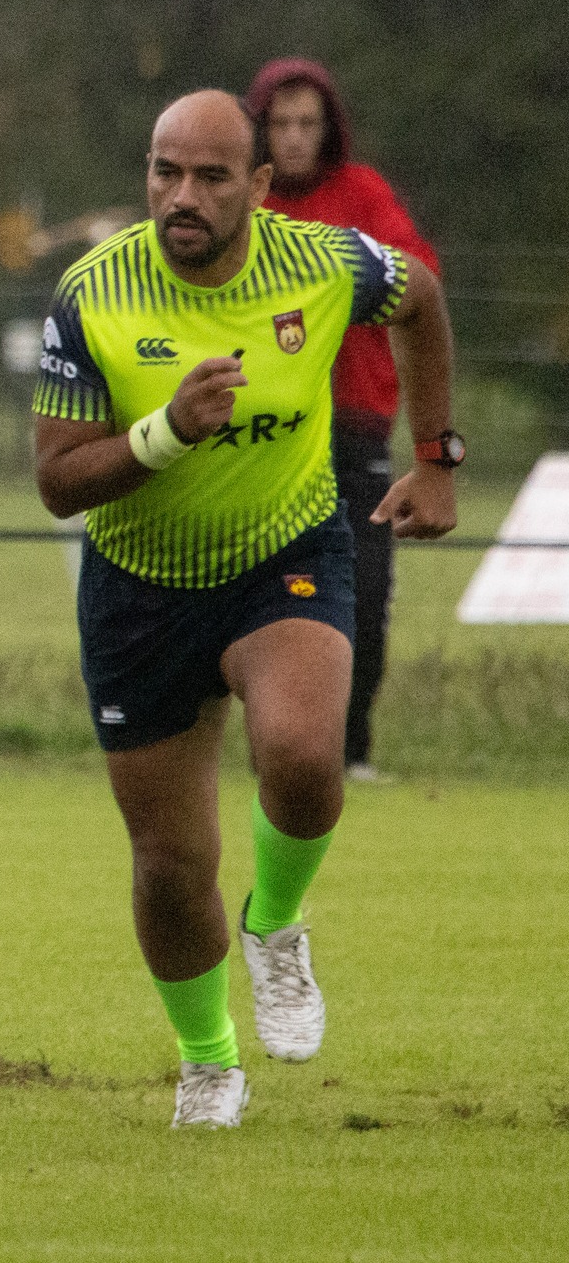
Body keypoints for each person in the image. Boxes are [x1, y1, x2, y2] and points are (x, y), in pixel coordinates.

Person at [31, 90, 460, 1127]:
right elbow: (55, 482)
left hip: (284, 554)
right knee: (171, 871)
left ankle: (275, 925)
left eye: (209, 177)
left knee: (304, 758)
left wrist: (436, 457)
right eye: (161, 172)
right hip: (138, 587)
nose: (180, 196)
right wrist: (165, 433)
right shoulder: (93, 293)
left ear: (257, 187)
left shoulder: (322, 264)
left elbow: (423, 299)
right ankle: (208, 1063)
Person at [246, 59, 442, 783]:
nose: (295, 138)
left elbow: (419, 273)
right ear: (258, 129)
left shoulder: (361, 194)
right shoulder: (244, 201)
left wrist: (341, 285)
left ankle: (350, 751)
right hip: (264, 427)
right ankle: (268, 742)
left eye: (308, 124)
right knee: (257, 597)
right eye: (280, 124)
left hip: (354, 425)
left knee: (362, 591)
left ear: (329, 129)